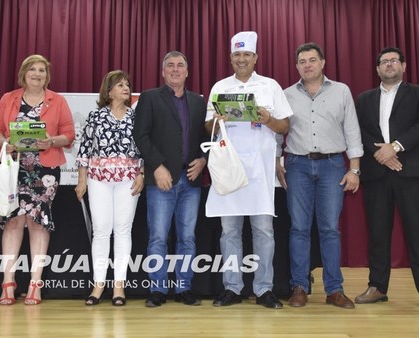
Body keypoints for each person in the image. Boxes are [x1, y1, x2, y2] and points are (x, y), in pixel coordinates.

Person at [205, 31, 292, 309]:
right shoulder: (220, 86)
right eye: (236, 54)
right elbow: (208, 126)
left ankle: (264, 289)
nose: (241, 59)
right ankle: (232, 287)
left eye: (246, 55)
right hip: (229, 167)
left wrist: (268, 120)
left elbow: (285, 127)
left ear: (255, 58)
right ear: (231, 58)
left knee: (263, 230)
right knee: (229, 231)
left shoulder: (270, 86)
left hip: (260, 170)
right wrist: (216, 120)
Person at [354, 47, 419, 310]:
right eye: (384, 62)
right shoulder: (365, 98)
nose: (389, 65)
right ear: (377, 69)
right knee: (378, 234)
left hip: (411, 172)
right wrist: (380, 152)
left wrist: (396, 146)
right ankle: (377, 286)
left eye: (394, 61)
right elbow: (357, 129)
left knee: (418, 232)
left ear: (403, 65)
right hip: (377, 173)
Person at [279, 42, 362, 309]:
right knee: (299, 229)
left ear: (323, 63)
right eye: (302, 61)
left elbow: (352, 130)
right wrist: (276, 163)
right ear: (296, 66)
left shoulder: (341, 91)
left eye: (312, 60)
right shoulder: (286, 94)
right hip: (297, 166)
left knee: (330, 230)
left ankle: (334, 290)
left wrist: (355, 168)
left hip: (332, 166)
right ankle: (299, 287)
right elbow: (276, 131)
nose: (307, 65)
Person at [0, 54, 74, 305]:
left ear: (47, 76)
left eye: (42, 71)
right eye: (33, 70)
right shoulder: (9, 98)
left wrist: (51, 141)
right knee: (12, 222)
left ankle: (35, 283)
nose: (38, 74)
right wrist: (5, 143)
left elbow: (69, 134)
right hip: (13, 168)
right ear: (23, 73)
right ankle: (8, 283)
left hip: (44, 171)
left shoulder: (57, 100)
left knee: (38, 223)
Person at [134, 51, 207, 307]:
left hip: (191, 179)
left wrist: (203, 160)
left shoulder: (199, 102)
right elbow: (141, 136)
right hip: (161, 179)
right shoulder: (150, 98)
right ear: (163, 72)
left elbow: (205, 139)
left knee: (187, 238)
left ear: (187, 72)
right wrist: (156, 167)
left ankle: (184, 288)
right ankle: (158, 290)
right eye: (170, 66)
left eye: (180, 66)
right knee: (158, 237)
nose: (175, 70)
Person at [75, 70, 144, 306]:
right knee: (102, 231)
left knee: (123, 230)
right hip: (98, 179)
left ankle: (119, 286)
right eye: (120, 85)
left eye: (127, 84)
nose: (126, 88)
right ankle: (98, 285)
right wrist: (82, 180)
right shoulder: (95, 116)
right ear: (109, 90)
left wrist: (142, 174)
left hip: (128, 178)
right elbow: (84, 150)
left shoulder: (138, 117)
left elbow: (145, 148)